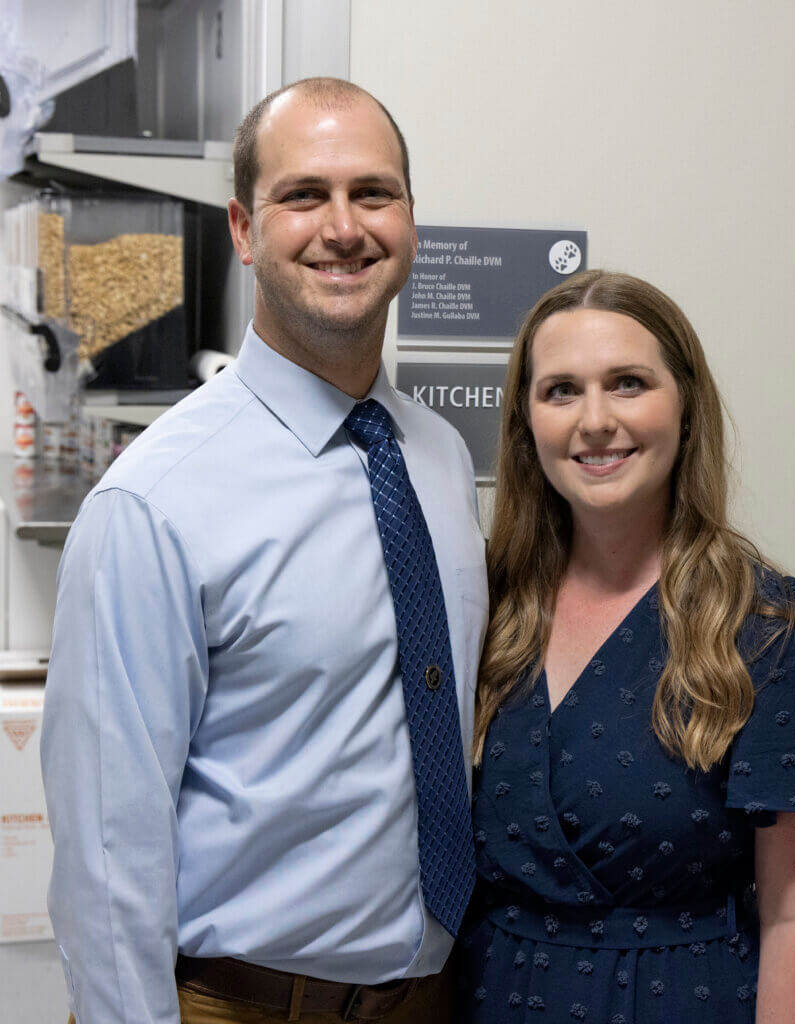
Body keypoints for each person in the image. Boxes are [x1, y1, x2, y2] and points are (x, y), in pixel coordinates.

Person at [40, 78, 488, 1024]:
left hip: (437, 999)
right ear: (245, 231)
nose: (343, 226)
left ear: (410, 221)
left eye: (374, 194)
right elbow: (108, 850)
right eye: (303, 196)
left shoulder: (438, 459)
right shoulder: (155, 502)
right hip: (240, 1005)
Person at [456, 269, 795, 1023]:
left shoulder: (775, 628)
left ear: (685, 406)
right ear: (524, 423)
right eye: (560, 390)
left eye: (627, 383)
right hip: (493, 996)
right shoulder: (483, 608)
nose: (594, 420)